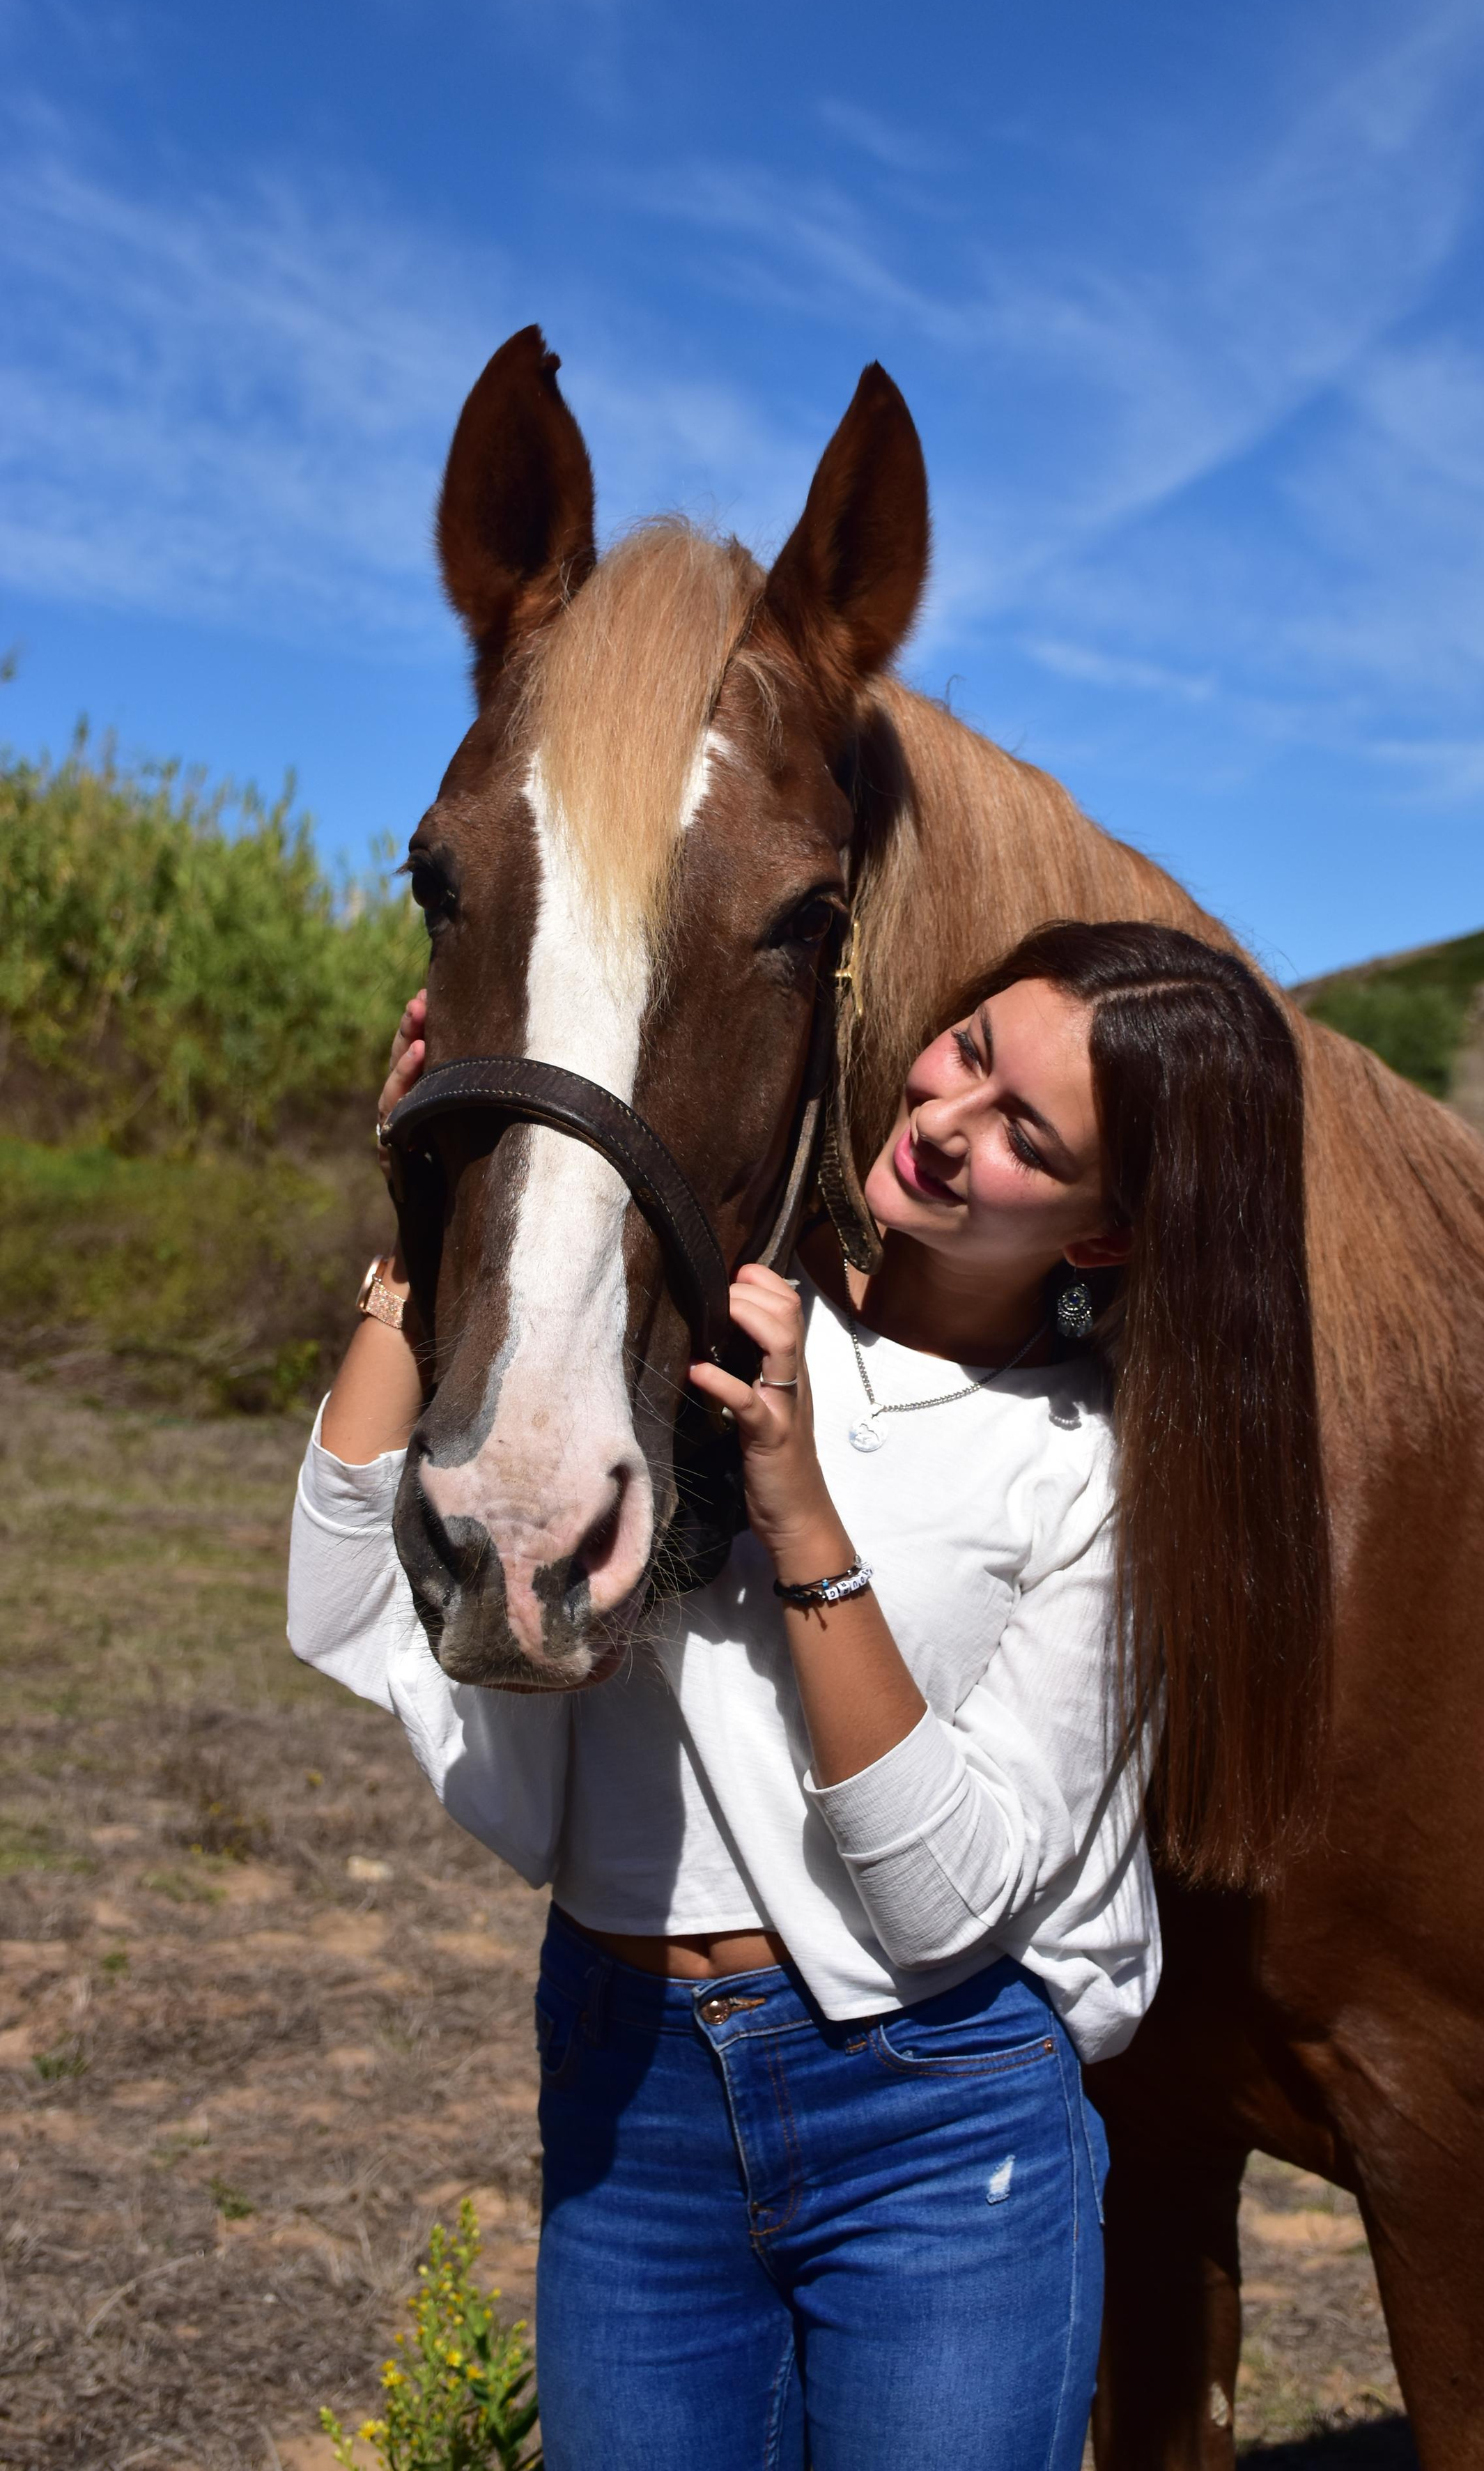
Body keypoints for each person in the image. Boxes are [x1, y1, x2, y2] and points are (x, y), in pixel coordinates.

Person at [287, 919, 1329, 2471]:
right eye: (967, 1053)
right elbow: (342, 1601)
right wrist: (422, 1200)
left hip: (935, 2119)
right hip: (627, 2087)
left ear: (1104, 1234)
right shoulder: (687, 1312)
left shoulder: (1091, 1471)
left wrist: (799, 1512)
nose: (944, 1123)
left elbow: (940, 1905)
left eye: (1024, 1132)